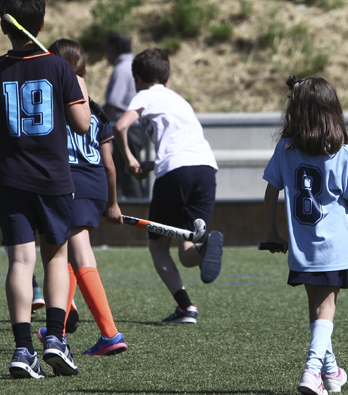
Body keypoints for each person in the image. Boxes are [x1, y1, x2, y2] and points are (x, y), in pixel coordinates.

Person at [0, 0, 90, 379]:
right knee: (56, 256)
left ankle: (23, 349)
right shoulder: (60, 68)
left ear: (3, 26)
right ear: (41, 24)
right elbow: (83, 124)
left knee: (21, 261)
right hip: (53, 179)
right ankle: (56, 339)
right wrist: (79, 90)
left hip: (9, 179)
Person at [261, 76, 348, 395]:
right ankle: (312, 370)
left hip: (302, 247)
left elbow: (272, 191)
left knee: (316, 309)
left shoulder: (285, 150)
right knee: (327, 309)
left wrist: (271, 232)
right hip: (332, 249)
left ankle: (331, 373)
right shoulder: (343, 153)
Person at [112, 48, 222, 324]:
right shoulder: (180, 101)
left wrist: (128, 160)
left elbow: (120, 126)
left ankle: (185, 306)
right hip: (206, 170)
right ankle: (205, 246)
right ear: (168, 79)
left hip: (175, 172)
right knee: (187, 252)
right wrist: (150, 165)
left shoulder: (146, 94)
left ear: (137, 78)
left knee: (159, 247)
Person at [35, 38, 127, 356]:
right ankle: (57, 328)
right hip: (96, 182)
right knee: (70, 252)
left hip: (70, 179)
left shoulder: (53, 99)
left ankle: (110, 333)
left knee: (80, 252)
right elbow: (110, 164)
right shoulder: (95, 108)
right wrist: (112, 201)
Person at [102, 32, 150, 199]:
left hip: (126, 130)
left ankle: (138, 211)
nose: (105, 53)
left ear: (114, 49)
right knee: (128, 175)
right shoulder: (134, 65)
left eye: (106, 49)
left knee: (129, 176)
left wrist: (95, 119)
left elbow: (113, 104)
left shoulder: (121, 69)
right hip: (134, 128)